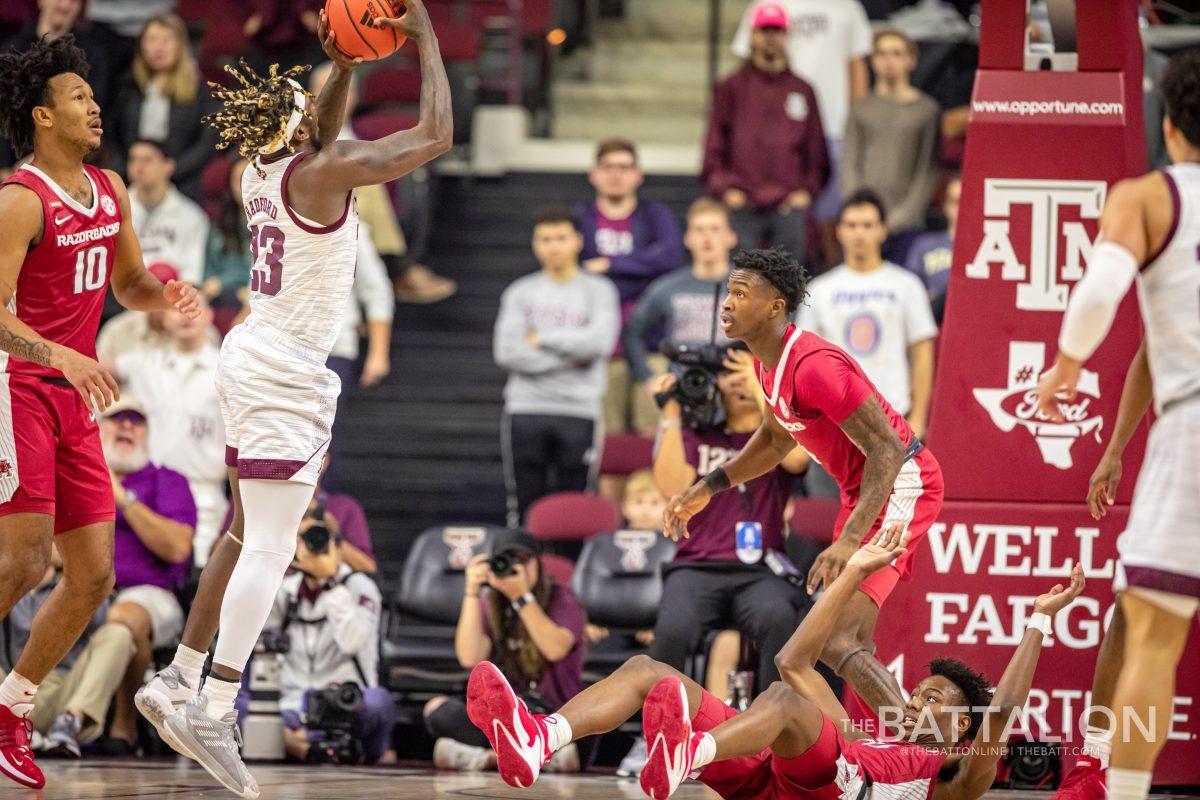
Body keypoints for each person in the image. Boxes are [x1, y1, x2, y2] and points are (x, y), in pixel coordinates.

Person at [134, 6, 451, 797]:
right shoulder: (323, 171)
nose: (312, 109)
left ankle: (178, 677)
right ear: (293, 123)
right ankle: (213, 702)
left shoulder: (259, 172)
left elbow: (320, 124)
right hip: (284, 372)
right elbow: (433, 138)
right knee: (272, 548)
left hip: (251, 354)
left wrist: (345, 66)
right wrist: (427, 42)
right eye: (304, 105)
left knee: (243, 535)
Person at [465, 524, 1086, 799]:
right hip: (779, 781)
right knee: (647, 671)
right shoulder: (859, 735)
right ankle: (536, 736)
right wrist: (855, 572)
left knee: (786, 706)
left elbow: (1002, 709)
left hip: (831, 792)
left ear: (966, 732)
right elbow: (793, 660)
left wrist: (1037, 620)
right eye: (922, 693)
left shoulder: (953, 778)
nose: (920, 702)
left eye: (939, 703)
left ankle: (685, 753)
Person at [0, 34, 198, 789]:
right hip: (19, 386)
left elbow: (132, 283)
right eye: (78, 97)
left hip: (74, 394)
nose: (93, 107)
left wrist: (167, 293)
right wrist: (60, 354)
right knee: (22, 563)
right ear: (43, 117)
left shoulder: (110, 187)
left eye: (92, 95)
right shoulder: (19, 201)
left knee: (90, 577)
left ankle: (12, 708)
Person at [665, 247, 944, 728]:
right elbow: (775, 440)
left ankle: (917, 757)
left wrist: (849, 541)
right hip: (862, 492)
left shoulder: (814, 365)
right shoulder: (765, 364)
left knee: (836, 642)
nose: (726, 304)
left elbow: (886, 451)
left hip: (903, 482)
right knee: (847, 644)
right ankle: (887, 754)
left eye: (740, 293)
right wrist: (708, 487)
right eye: (727, 293)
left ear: (775, 307)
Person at [1034, 49, 1200, 800]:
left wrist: (1067, 365)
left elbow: (1101, 289)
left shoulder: (1147, 198)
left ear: (1170, 129)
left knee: (1153, 641)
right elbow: (1144, 344)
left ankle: (1123, 791)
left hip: (1191, 425)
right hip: (1174, 411)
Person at [648, 355, 808, 692]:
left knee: (777, 617)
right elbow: (671, 488)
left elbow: (797, 460)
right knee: (673, 628)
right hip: (697, 566)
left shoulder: (776, 439)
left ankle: (773, 727)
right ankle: (663, 726)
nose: (735, 379)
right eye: (727, 372)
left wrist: (760, 388)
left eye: (743, 369)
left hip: (760, 571)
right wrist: (670, 413)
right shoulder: (699, 435)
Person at [55, 395, 196, 754]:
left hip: (150, 593)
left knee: (124, 616)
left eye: (137, 420)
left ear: (148, 434)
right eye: (117, 419)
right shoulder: (74, 480)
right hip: (81, 587)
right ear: (98, 429)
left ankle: (124, 723)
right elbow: (51, 548)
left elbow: (178, 547)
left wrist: (121, 497)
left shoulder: (168, 480)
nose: (127, 426)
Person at [1050, 341, 1149, 800]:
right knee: (1130, 609)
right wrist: (1115, 450)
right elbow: (1147, 355)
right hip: (1183, 456)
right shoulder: (1181, 276)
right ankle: (1095, 761)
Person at [494, 209, 620, 526]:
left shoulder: (599, 290)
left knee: (574, 505)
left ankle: (569, 572)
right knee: (525, 504)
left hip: (580, 410)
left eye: (561, 238)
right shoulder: (520, 292)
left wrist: (540, 339)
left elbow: (599, 345)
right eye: (545, 239)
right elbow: (508, 352)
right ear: (535, 244)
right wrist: (572, 354)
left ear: (577, 241)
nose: (553, 247)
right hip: (526, 408)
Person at [426, 530, 584, 773]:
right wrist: (471, 592)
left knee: (584, 728)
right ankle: (534, 757)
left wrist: (521, 596)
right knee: (436, 710)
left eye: (524, 559)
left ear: (538, 564)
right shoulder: (490, 603)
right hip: (505, 717)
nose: (517, 567)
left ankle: (484, 757)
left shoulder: (561, 598)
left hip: (550, 712)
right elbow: (469, 657)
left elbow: (555, 649)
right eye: (509, 559)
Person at [731, 0, 873, 267]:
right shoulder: (765, 4)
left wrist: (857, 123)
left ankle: (829, 288)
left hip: (833, 127)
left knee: (831, 224)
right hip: (777, 128)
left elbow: (857, 65)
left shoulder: (847, 7)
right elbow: (745, 60)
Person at [308, 61, 456, 306]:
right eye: (324, 90)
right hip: (326, 212)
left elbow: (436, 138)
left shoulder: (367, 135)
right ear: (311, 99)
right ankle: (400, 269)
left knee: (412, 174)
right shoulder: (305, 139)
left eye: (341, 90)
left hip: (366, 217)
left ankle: (399, 266)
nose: (333, 97)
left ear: (354, 97)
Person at [799, 190, 937, 440]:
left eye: (868, 225)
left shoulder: (907, 285)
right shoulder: (818, 290)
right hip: (834, 420)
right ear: (839, 231)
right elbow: (805, 361)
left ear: (882, 230)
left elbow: (922, 352)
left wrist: (918, 416)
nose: (859, 233)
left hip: (895, 415)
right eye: (851, 225)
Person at [261, 512, 392, 765]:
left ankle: (293, 742)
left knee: (380, 701)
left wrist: (330, 582)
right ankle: (295, 739)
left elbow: (352, 642)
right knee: (238, 704)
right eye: (301, 538)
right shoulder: (284, 590)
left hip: (344, 702)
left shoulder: (360, 587)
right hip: (293, 705)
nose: (310, 546)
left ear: (337, 546)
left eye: (318, 538)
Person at [575, 138, 684, 436]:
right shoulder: (581, 218)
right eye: (608, 167)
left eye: (624, 167)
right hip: (603, 349)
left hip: (651, 343)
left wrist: (610, 265)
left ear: (638, 176)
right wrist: (642, 266)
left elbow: (670, 257)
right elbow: (576, 269)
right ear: (593, 174)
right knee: (609, 439)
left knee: (653, 433)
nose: (615, 174)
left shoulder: (654, 215)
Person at [703, 3, 828, 262]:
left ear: (787, 36)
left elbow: (817, 152)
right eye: (764, 30)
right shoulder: (731, 87)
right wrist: (726, 189)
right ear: (752, 35)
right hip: (743, 204)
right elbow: (714, 147)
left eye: (777, 31)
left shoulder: (802, 89)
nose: (771, 37)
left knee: (788, 286)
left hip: (787, 205)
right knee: (742, 283)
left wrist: (806, 191)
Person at [115, 295, 226, 565]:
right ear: (163, 318)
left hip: (205, 494)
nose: (186, 315)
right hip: (149, 492)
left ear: (210, 316)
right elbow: (95, 364)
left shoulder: (229, 368)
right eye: (177, 309)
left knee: (200, 579)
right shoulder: (142, 364)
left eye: (194, 307)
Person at [0, 547, 116, 759]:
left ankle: (69, 722)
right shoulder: (8, 577)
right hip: (8, 687)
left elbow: (101, 620)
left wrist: (74, 572)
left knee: (117, 634)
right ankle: (12, 726)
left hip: (63, 691)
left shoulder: (81, 584)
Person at [841, 29, 940, 264]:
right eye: (882, 54)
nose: (888, 60)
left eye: (896, 53)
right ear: (873, 61)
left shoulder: (926, 110)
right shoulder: (861, 108)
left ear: (911, 60)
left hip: (907, 223)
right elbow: (849, 163)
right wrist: (860, 215)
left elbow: (926, 170)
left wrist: (901, 218)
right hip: (863, 226)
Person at [622, 199, 737, 395]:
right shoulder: (667, 287)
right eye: (699, 230)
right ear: (688, 238)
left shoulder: (750, 288)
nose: (707, 237)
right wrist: (647, 378)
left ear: (731, 237)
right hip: (681, 392)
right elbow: (632, 333)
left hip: (735, 391)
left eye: (715, 229)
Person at [109, 14, 216, 201]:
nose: (157, 47)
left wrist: (171, 168)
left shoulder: (199, 89)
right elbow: (111, 133)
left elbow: (207, 142)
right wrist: (128, 166)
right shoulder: (127, 84)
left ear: (180, 46)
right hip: (131, 177)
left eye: (166, 40)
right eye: (151, 40)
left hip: (183, 182)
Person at [126, 138, 209, 284]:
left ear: (168, 166)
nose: (138, 167)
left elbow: (192, 275)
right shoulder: (113, 211)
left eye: (147, 160)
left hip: (176, 298)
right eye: (133, 160)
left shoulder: (192, 216)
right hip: (124, 300)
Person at [905, 174, 961, 324]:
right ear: (946, 206)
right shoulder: (924, 244)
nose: (961, 208)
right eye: (956, 202)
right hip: (931, 320)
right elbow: (910, 289)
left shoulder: (986, 248)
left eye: (966, 201)